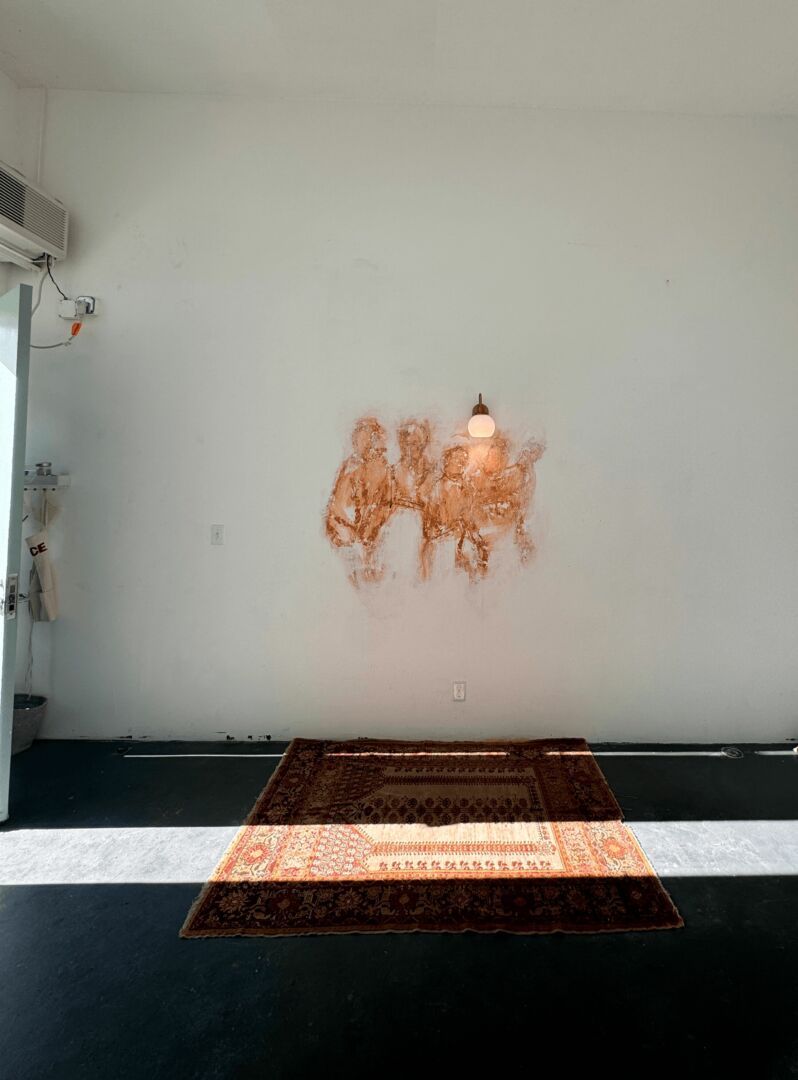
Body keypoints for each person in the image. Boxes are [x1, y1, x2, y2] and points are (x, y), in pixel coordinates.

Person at [325, 417, 393, 586]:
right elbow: (340, 508)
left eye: (379, 449)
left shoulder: (383, 468)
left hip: (372, 529)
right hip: (346, 528)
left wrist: (375, 524)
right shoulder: (352, 468)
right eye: (372, 447)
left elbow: (387, 502)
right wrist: (356, 533)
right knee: (354, 561)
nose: (378, 452)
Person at [469, 435, 545, 577]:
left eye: (499, 457)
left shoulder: (513, 477)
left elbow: (523, 500)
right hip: (483, 540)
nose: (494, 460)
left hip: (505, 542)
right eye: (491, 456)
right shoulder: (478, 480)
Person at [420, 445, 482, 581]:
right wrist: (442, 530)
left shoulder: (467, 487)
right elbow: (430, 519)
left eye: (464, 460)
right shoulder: (438, 487)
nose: (461, 463)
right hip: (443, 539)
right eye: (457, 459)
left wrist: (473, 534)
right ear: (447, 461)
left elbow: (469, 516)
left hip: (462, 539)